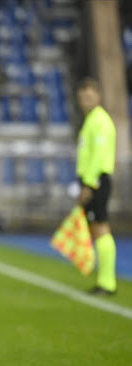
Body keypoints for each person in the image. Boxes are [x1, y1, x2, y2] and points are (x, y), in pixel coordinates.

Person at [75, 78, 117, 295]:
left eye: (90, 95)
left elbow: (99, 156)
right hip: (92, 180)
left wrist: (88, 184)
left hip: (97, 180)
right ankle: (104, 279)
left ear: (99, 96)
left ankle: (107, 282)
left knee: (100, 227)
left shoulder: (100, 121)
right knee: (96, 228)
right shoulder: (92, 120)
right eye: (83, 96)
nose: (86, 99)